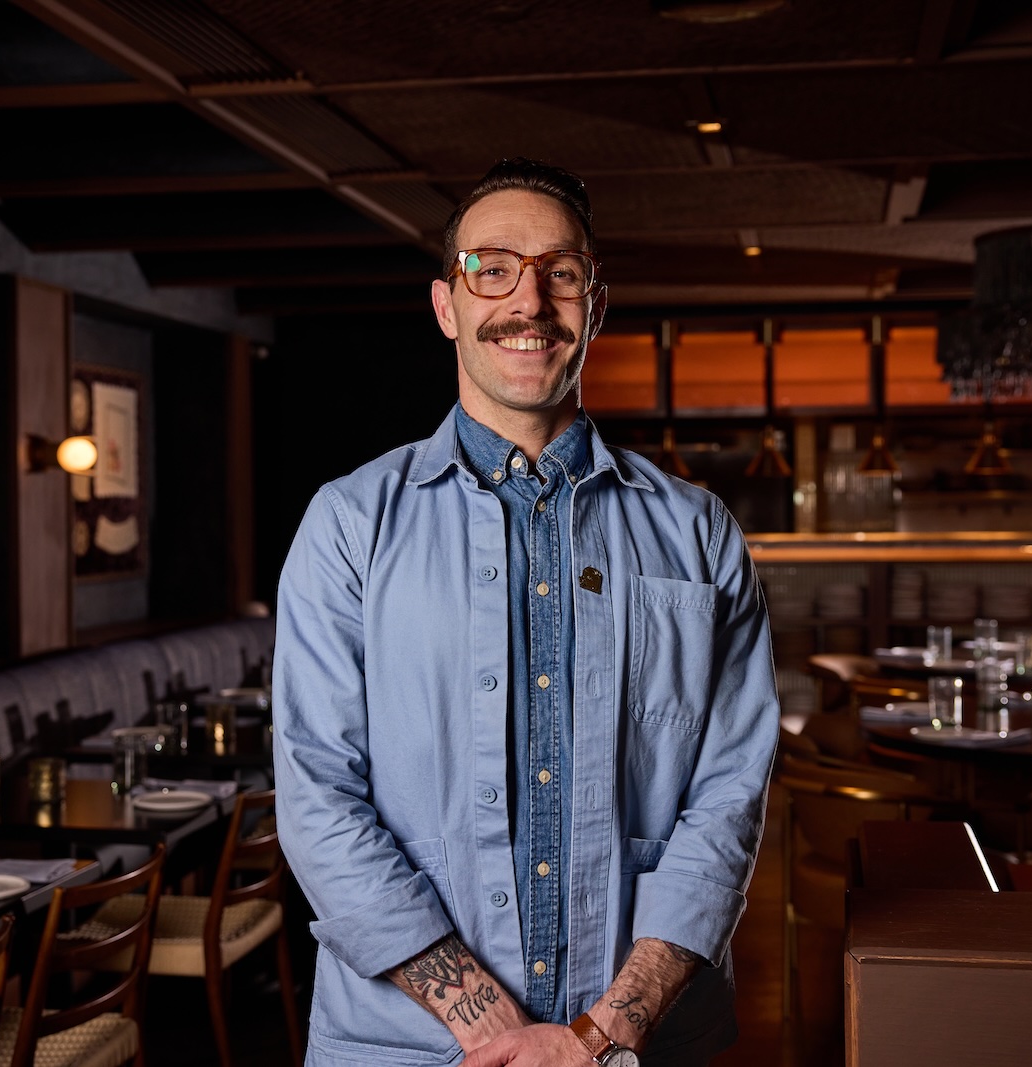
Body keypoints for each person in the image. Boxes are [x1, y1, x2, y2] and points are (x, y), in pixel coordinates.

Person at [274, 158, 779, 1067]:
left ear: (596, 303)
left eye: (563, 271)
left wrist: (608, 1028)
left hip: (645, 1046)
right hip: (409, 1046)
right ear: (446, 304)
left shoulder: (701, 532)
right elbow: (318, 797)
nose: (530, 300)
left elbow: (730, 796)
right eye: (492, 267)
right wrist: (495, 1031)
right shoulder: (348, 523)